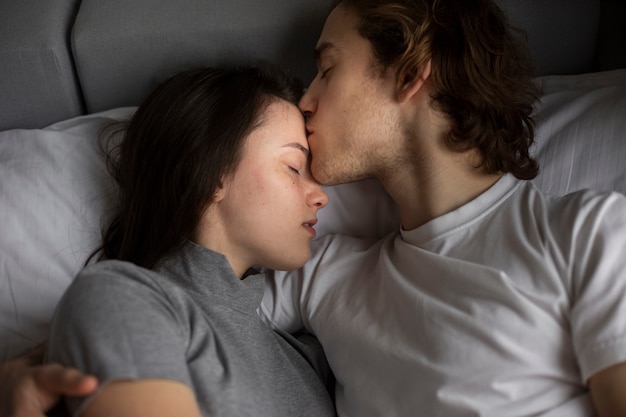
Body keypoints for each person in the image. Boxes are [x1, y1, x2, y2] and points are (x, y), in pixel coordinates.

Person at [3, 0, 626, 416]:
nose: (306, 98)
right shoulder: (325, 275)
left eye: (326, 69)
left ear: (411, 71)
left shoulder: (590, 233)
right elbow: (169, 306)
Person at [2, 65, 336, 417]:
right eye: (294, 167)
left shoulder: (305, 357)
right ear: (209, 176)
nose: (320, 196)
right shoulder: (122, 299)